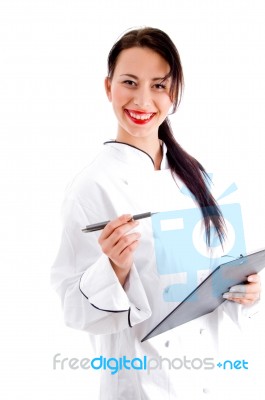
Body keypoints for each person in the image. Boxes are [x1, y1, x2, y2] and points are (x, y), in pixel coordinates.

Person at [51, 27, 261, 399]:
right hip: (139, 383)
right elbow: (72, 309)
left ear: (174, 93)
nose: (143, 99)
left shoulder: (200, 178)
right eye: (129, 82)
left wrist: (247, 291)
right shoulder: (91, 187)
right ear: (108, 87)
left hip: (209, 379)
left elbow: (217, 274)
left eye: (159, 85)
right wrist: (113, 268)